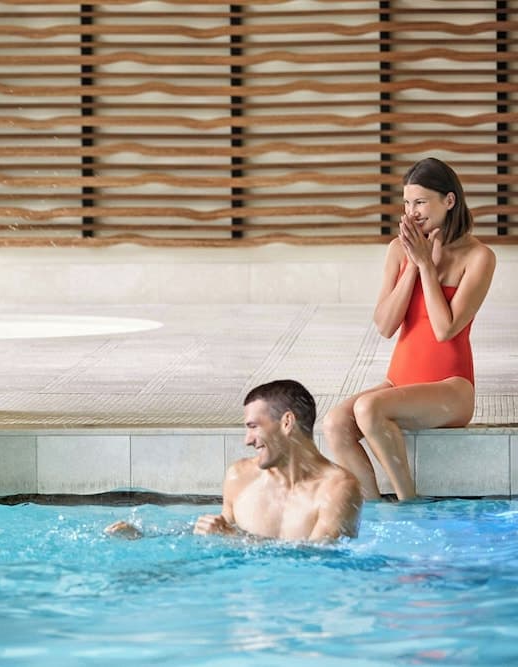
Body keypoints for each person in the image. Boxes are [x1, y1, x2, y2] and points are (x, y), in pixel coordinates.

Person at [322, 157, 496, 501]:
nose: (411, 212)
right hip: (399, 381)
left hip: (451, 388)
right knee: (335, 423)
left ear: (449, 200)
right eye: (406, 203)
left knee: (369, 408)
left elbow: (445, 329)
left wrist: (426, 264)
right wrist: (413, 265)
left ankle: (409, 502)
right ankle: (374, 510)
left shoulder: (479, 257)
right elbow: (385, 325)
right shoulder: (398, 251)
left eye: (420, 202)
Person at [106, 380, 363, 542]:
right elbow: (215, 534)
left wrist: (232, 539)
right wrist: (145, 538)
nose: (247, 440)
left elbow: (321, 563)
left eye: (253, 427)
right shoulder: (240, 477)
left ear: (287, 422)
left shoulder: (338, 488)